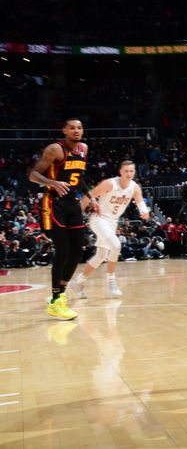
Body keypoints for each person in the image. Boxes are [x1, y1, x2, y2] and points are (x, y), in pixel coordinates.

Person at [28, 118, 98, 320]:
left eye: (79, 127)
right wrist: (52, 182)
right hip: (54, 203)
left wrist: (92, 198)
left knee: (77, 250)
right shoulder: (55, 149)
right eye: (72, 128)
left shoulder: (84, 148)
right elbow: (33, 175)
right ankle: (56, 300)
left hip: (72, 203)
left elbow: (79, 176)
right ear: (64, 130)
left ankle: (60, 294)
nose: (76, 130)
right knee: (63, 250)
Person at [69, 161, 149, 299]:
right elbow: (89, 195)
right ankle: (111, 280)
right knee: (116, 245)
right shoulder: (110, 184)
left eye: (131, 171)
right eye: (126, 171)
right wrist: (78, 216)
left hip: (112, 223)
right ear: (120, 172)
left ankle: (78, 282)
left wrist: (144, 211)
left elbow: (140, 200)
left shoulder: (134, 187)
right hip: (99, 218)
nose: (129, 174)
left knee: (101, 256)